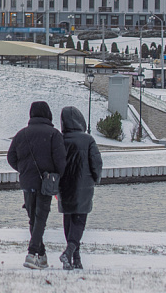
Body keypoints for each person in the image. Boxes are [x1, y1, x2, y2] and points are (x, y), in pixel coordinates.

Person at [7, 101, 66, 269]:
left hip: (27, 182)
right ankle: (32, 253)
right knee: (40, 219)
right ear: (48, 114)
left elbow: (11, 157)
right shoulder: (54, 134)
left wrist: (23, 169)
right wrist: (56, 175)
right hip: (46, 183)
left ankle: (41, 255)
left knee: (34, 219)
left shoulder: (22, 134)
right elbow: (61, 161)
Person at [57, 106, 103, 270]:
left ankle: (75, 258)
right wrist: (96, 178)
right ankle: (69, 253)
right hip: (84, 186)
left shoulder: (60, 139)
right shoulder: (88, 140)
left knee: (68, 221)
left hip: (64, 187)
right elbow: (96, 163)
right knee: (79, 221)